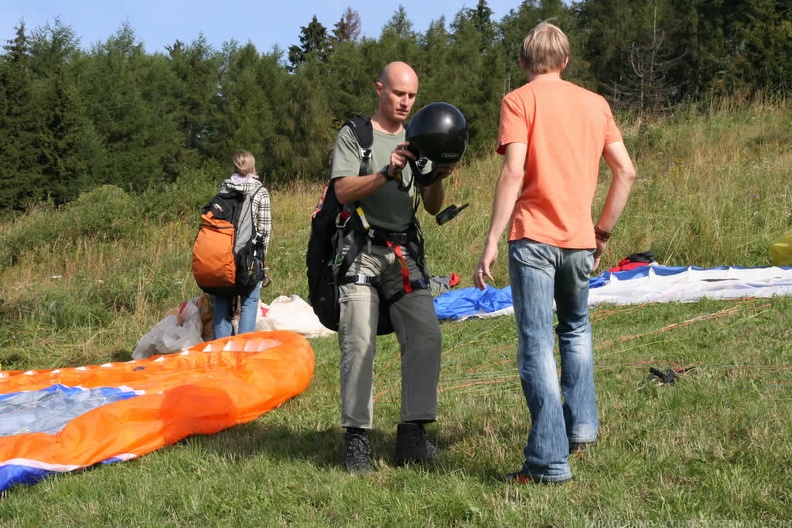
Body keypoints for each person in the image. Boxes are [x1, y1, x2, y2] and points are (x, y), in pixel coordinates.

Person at [473, 22, 637, 484]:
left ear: (524, 62)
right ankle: (581, 428)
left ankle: (548, 461)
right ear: (566, 62)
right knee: (576, 328)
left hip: (534, 239)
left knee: (536, 344)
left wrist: (490, 239)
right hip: (581, 240)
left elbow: (513, 171)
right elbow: (626, 171)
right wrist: (601, 233)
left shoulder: (519, 100)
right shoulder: (595, 104)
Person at [330, 61, 456, 473]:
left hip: (403, 255)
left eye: (412, 96)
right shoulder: (356, 136)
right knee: (359, 341)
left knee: (427, 336)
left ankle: (412, 435)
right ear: (379, 89)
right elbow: (343, 189)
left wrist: (437, 173)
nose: (405, 102)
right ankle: (357, 440)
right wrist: (387, 172)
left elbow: (433, 204)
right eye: (399, 93)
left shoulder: (418, 137)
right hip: (361, 250)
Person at [212, 150, 271, 339]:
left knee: (222, 297)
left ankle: (222, 345)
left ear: (234, 166)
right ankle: (242, 347)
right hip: (247, 256)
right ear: (253, 166)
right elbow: (265, 229)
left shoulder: (224, 188)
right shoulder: (260, 191)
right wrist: (261, 260)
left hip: (221, 254)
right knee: (250, 299)